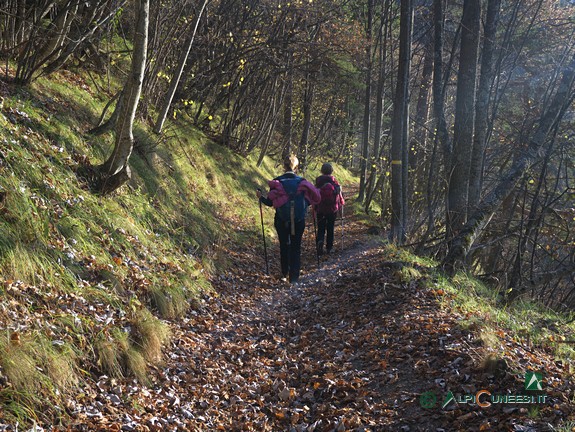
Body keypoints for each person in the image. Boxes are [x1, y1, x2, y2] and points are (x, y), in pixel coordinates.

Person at [257, 155, 320, 284]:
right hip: (298, 220)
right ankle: (294, 278)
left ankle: (284, 272)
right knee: (296, 247)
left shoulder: (277, 182)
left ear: (284, 166)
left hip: (281, 219)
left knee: (284, 245)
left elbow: (270, 202)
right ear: (296, 168)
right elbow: (313, 198)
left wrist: (260, 197)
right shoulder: (302, 182)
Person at [314, 162, 344, 256]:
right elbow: (339, 197)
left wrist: (314, 207)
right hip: (332, 210)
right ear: (331, 171)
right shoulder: (335, 183)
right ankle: (329, 248)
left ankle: (320, 242)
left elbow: (314, 195)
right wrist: (340, 206)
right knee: (330, 228)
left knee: (321, 228)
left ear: (322, 171)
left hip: (320, 209)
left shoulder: (318, 182)